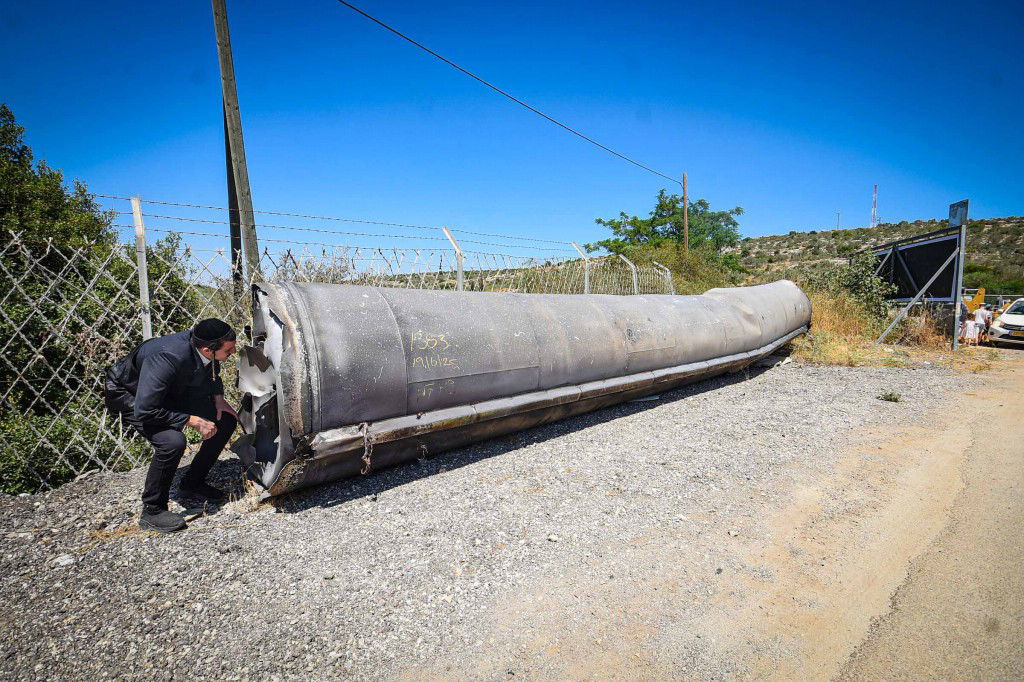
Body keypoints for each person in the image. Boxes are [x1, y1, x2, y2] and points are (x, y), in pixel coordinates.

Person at [104, 319, 239, 533]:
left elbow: (212, 369)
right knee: (172, 442)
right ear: (207, 349)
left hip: (171, 389)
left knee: (225, 420)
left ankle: (192, 483)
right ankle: (152, 510)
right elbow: (145, 409)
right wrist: (190, 420)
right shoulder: (168, 357)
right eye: (229, 349)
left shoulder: (204, 346)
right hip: (133, 394)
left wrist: (219, 398)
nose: (234, 352)